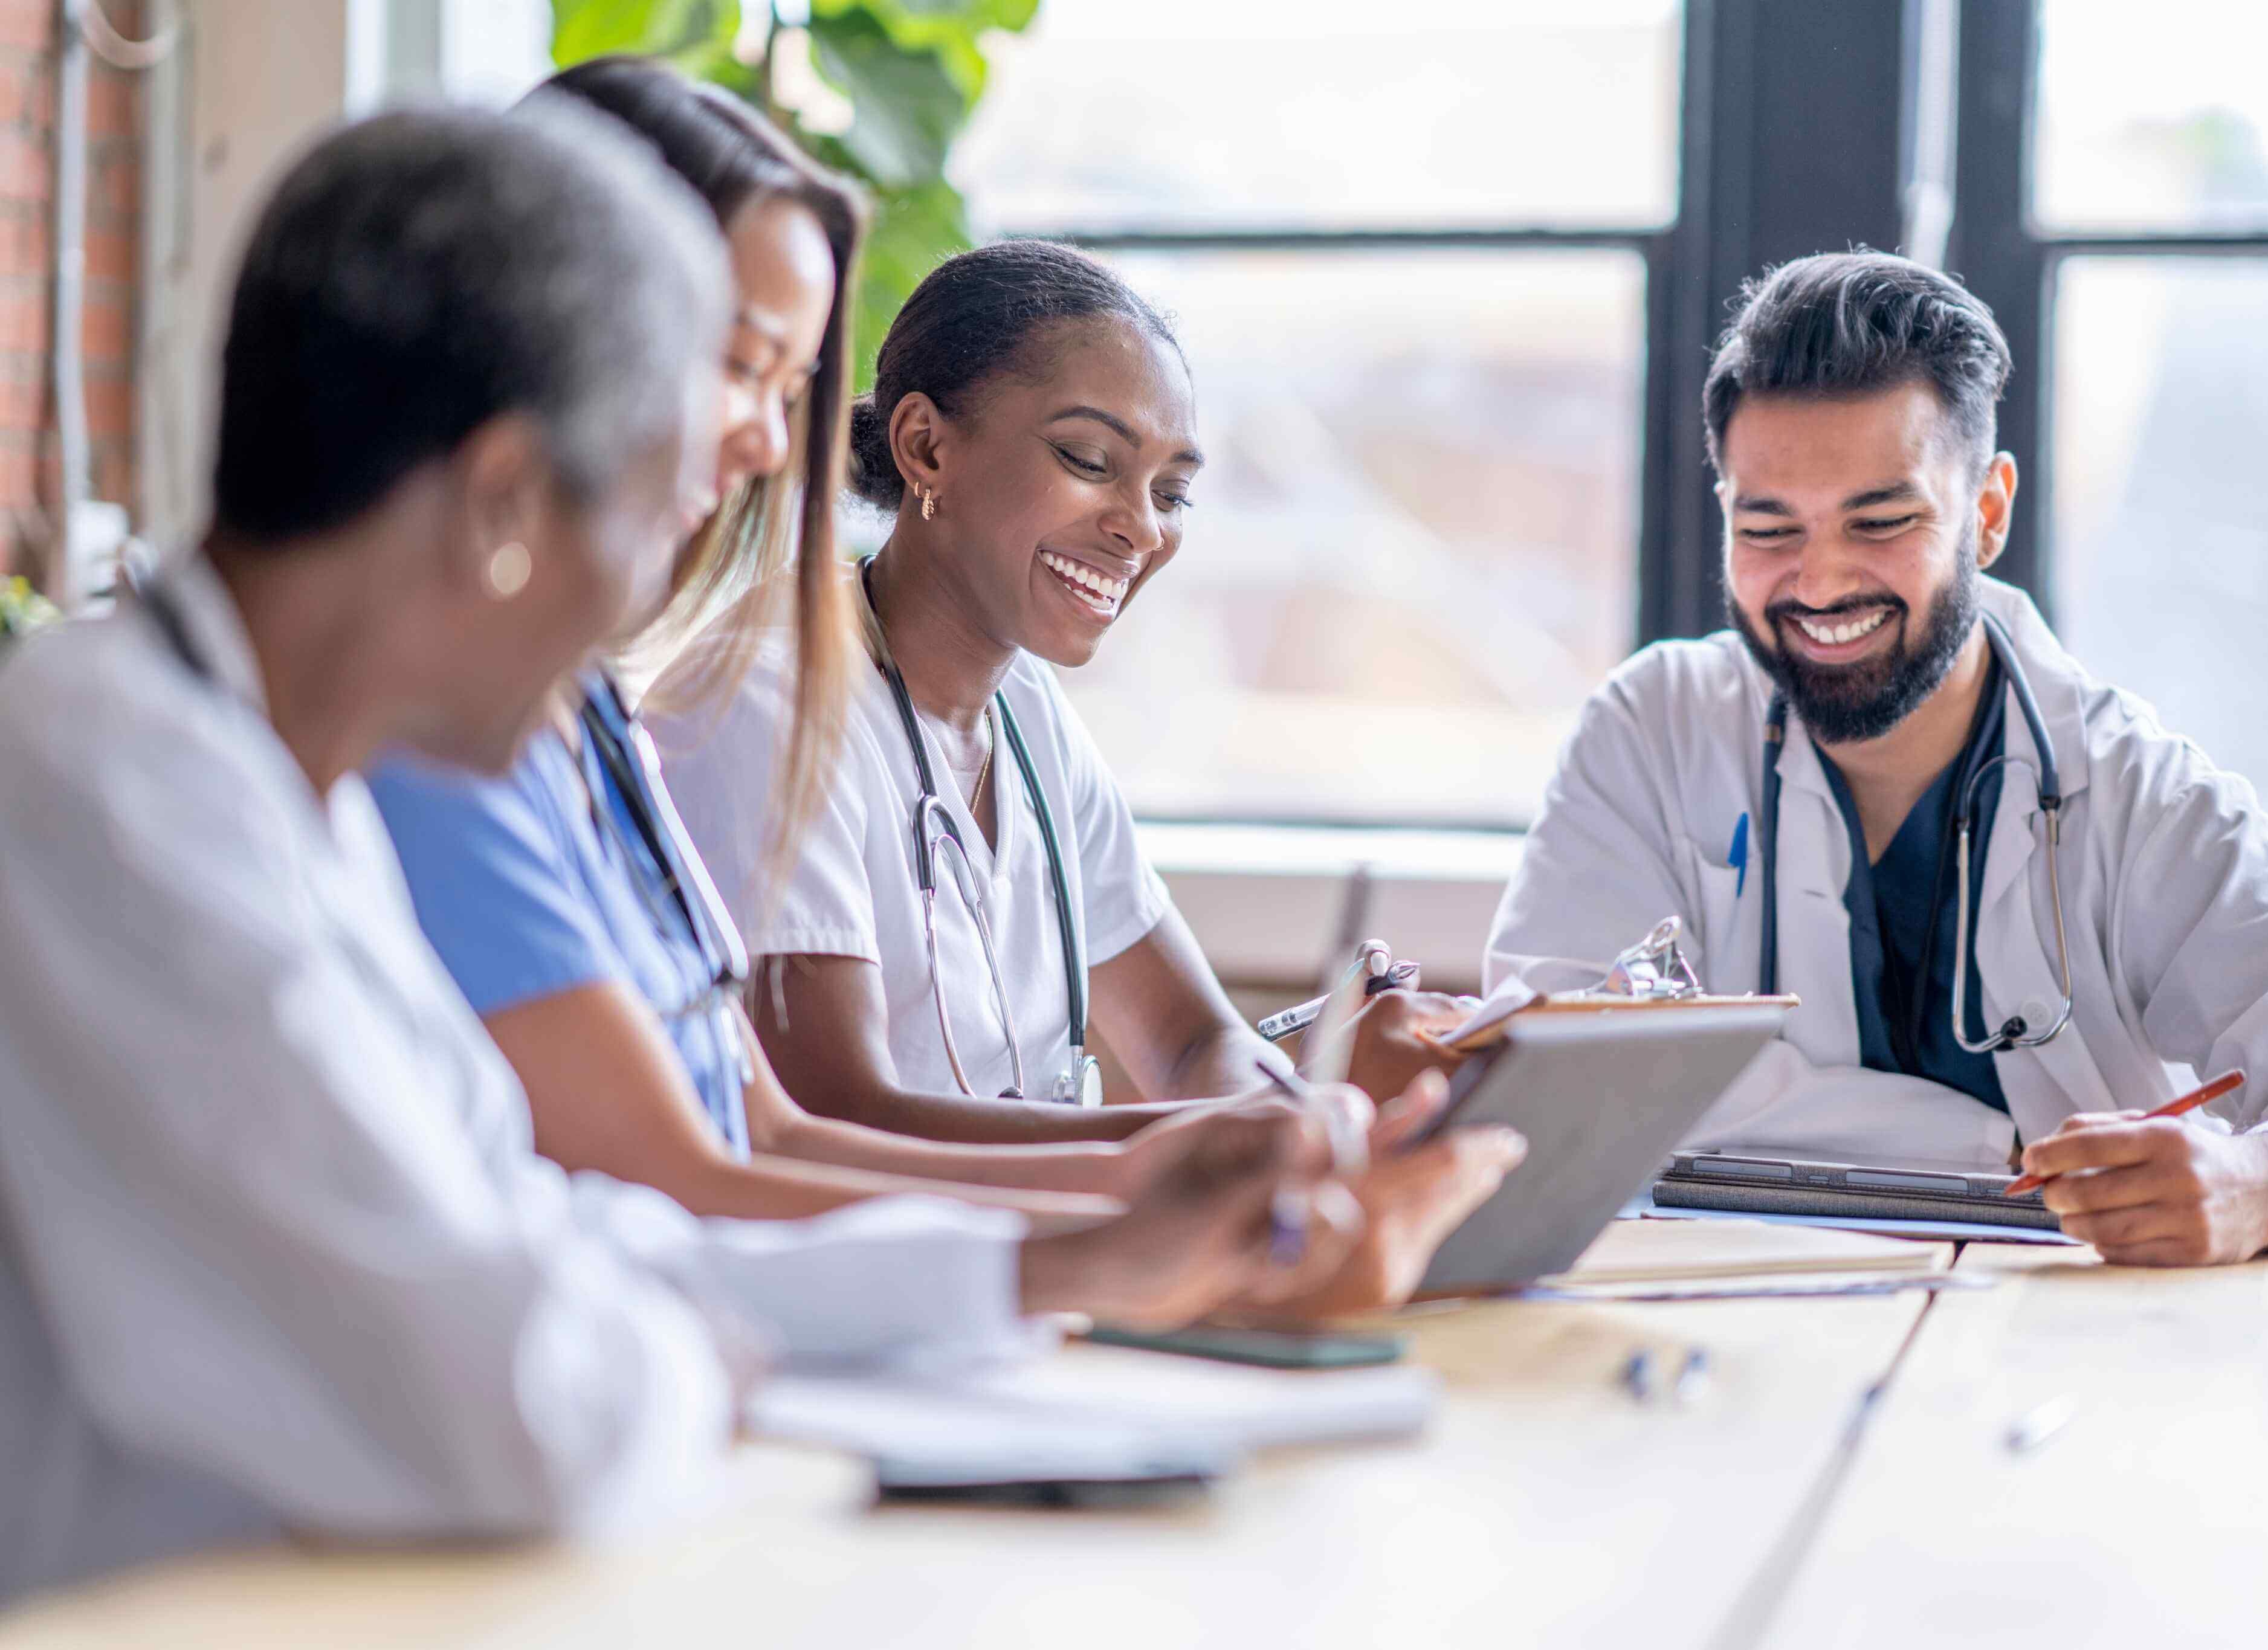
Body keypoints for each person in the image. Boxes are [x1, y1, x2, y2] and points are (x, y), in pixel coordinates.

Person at [0, 106, 1354, 1602]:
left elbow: (557, 1235)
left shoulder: (269, 776)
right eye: (654, 513)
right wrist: (706, 1344)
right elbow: (522, 1401)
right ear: (506, 505)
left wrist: (1067, 1265)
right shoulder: (114, 797)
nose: (635, 634)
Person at [1487, 250, 2268, 1266]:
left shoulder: (2138, 794)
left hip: (2074, 1347)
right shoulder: (1650, 734)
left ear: (1988, 513)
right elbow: (1544, 1096)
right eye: (1768, 526)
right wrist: (2002, 1149)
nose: (1818, 582)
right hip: (1730, 1336)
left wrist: (2267, 1183)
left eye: (1882, 522)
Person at [365, 59, 1215, 1226]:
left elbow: (759, 1128)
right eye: (736, 365)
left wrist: (1213, 1170)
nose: (769, 444)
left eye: (788, 383)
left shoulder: (573, 723)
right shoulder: (430, 748)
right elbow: (709, 1168)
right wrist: (1155, 1203)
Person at [653, 239, 1524, 1306]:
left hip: (1043, 1281)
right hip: (873, 1301)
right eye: (1089, 461)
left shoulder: (1026, 716)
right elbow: (833, 1117)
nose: (1141, 529)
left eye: (1172, 491)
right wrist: (1233, 1140)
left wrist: (1302, 1109)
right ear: (926, 448)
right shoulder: (763, 698)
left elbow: (1191, 1037)